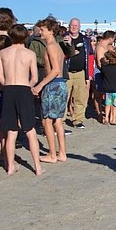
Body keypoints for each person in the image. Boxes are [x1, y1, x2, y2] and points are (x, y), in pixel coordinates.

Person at [0, 24, 44, 176]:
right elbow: (35, 78)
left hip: (9, 89)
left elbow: (0, 77)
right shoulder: (29, 54)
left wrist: (10, 86)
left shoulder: (3, 53)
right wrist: (27, 87)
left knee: (11, 131)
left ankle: (10, 166)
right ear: (25, 36)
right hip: (23, 89)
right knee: (30, 129)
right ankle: (37, 167)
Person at [32, 17, 68, 163]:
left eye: (43, 29)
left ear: (51, 31)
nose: (40, 32)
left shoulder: (52, 46)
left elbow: (55, 70)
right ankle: (61, 153)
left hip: (53, 84)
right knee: (57, 120)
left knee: (47, 120)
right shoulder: (56, 45)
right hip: (59, 84)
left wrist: (40, 85)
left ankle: (53, 154)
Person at [63, 18, 93, 129]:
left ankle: (78, 120)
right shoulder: (64, 38)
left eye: (76, 25)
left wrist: (89, 74)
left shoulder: (85, 40)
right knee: (64, 97)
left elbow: (90, 56)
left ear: (79, 27)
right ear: (69, 26)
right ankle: (61, 120)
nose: (74, 27)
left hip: (80, 72)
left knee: (80, 97)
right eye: (72, 25)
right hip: (67, 72)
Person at [100, 50, 116, 125]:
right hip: (115, 89)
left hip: (107, 88)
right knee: (115, 104)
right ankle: (112, 119)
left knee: (107, 104)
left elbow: (102, 78)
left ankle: (106, 118)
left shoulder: (104, 68)